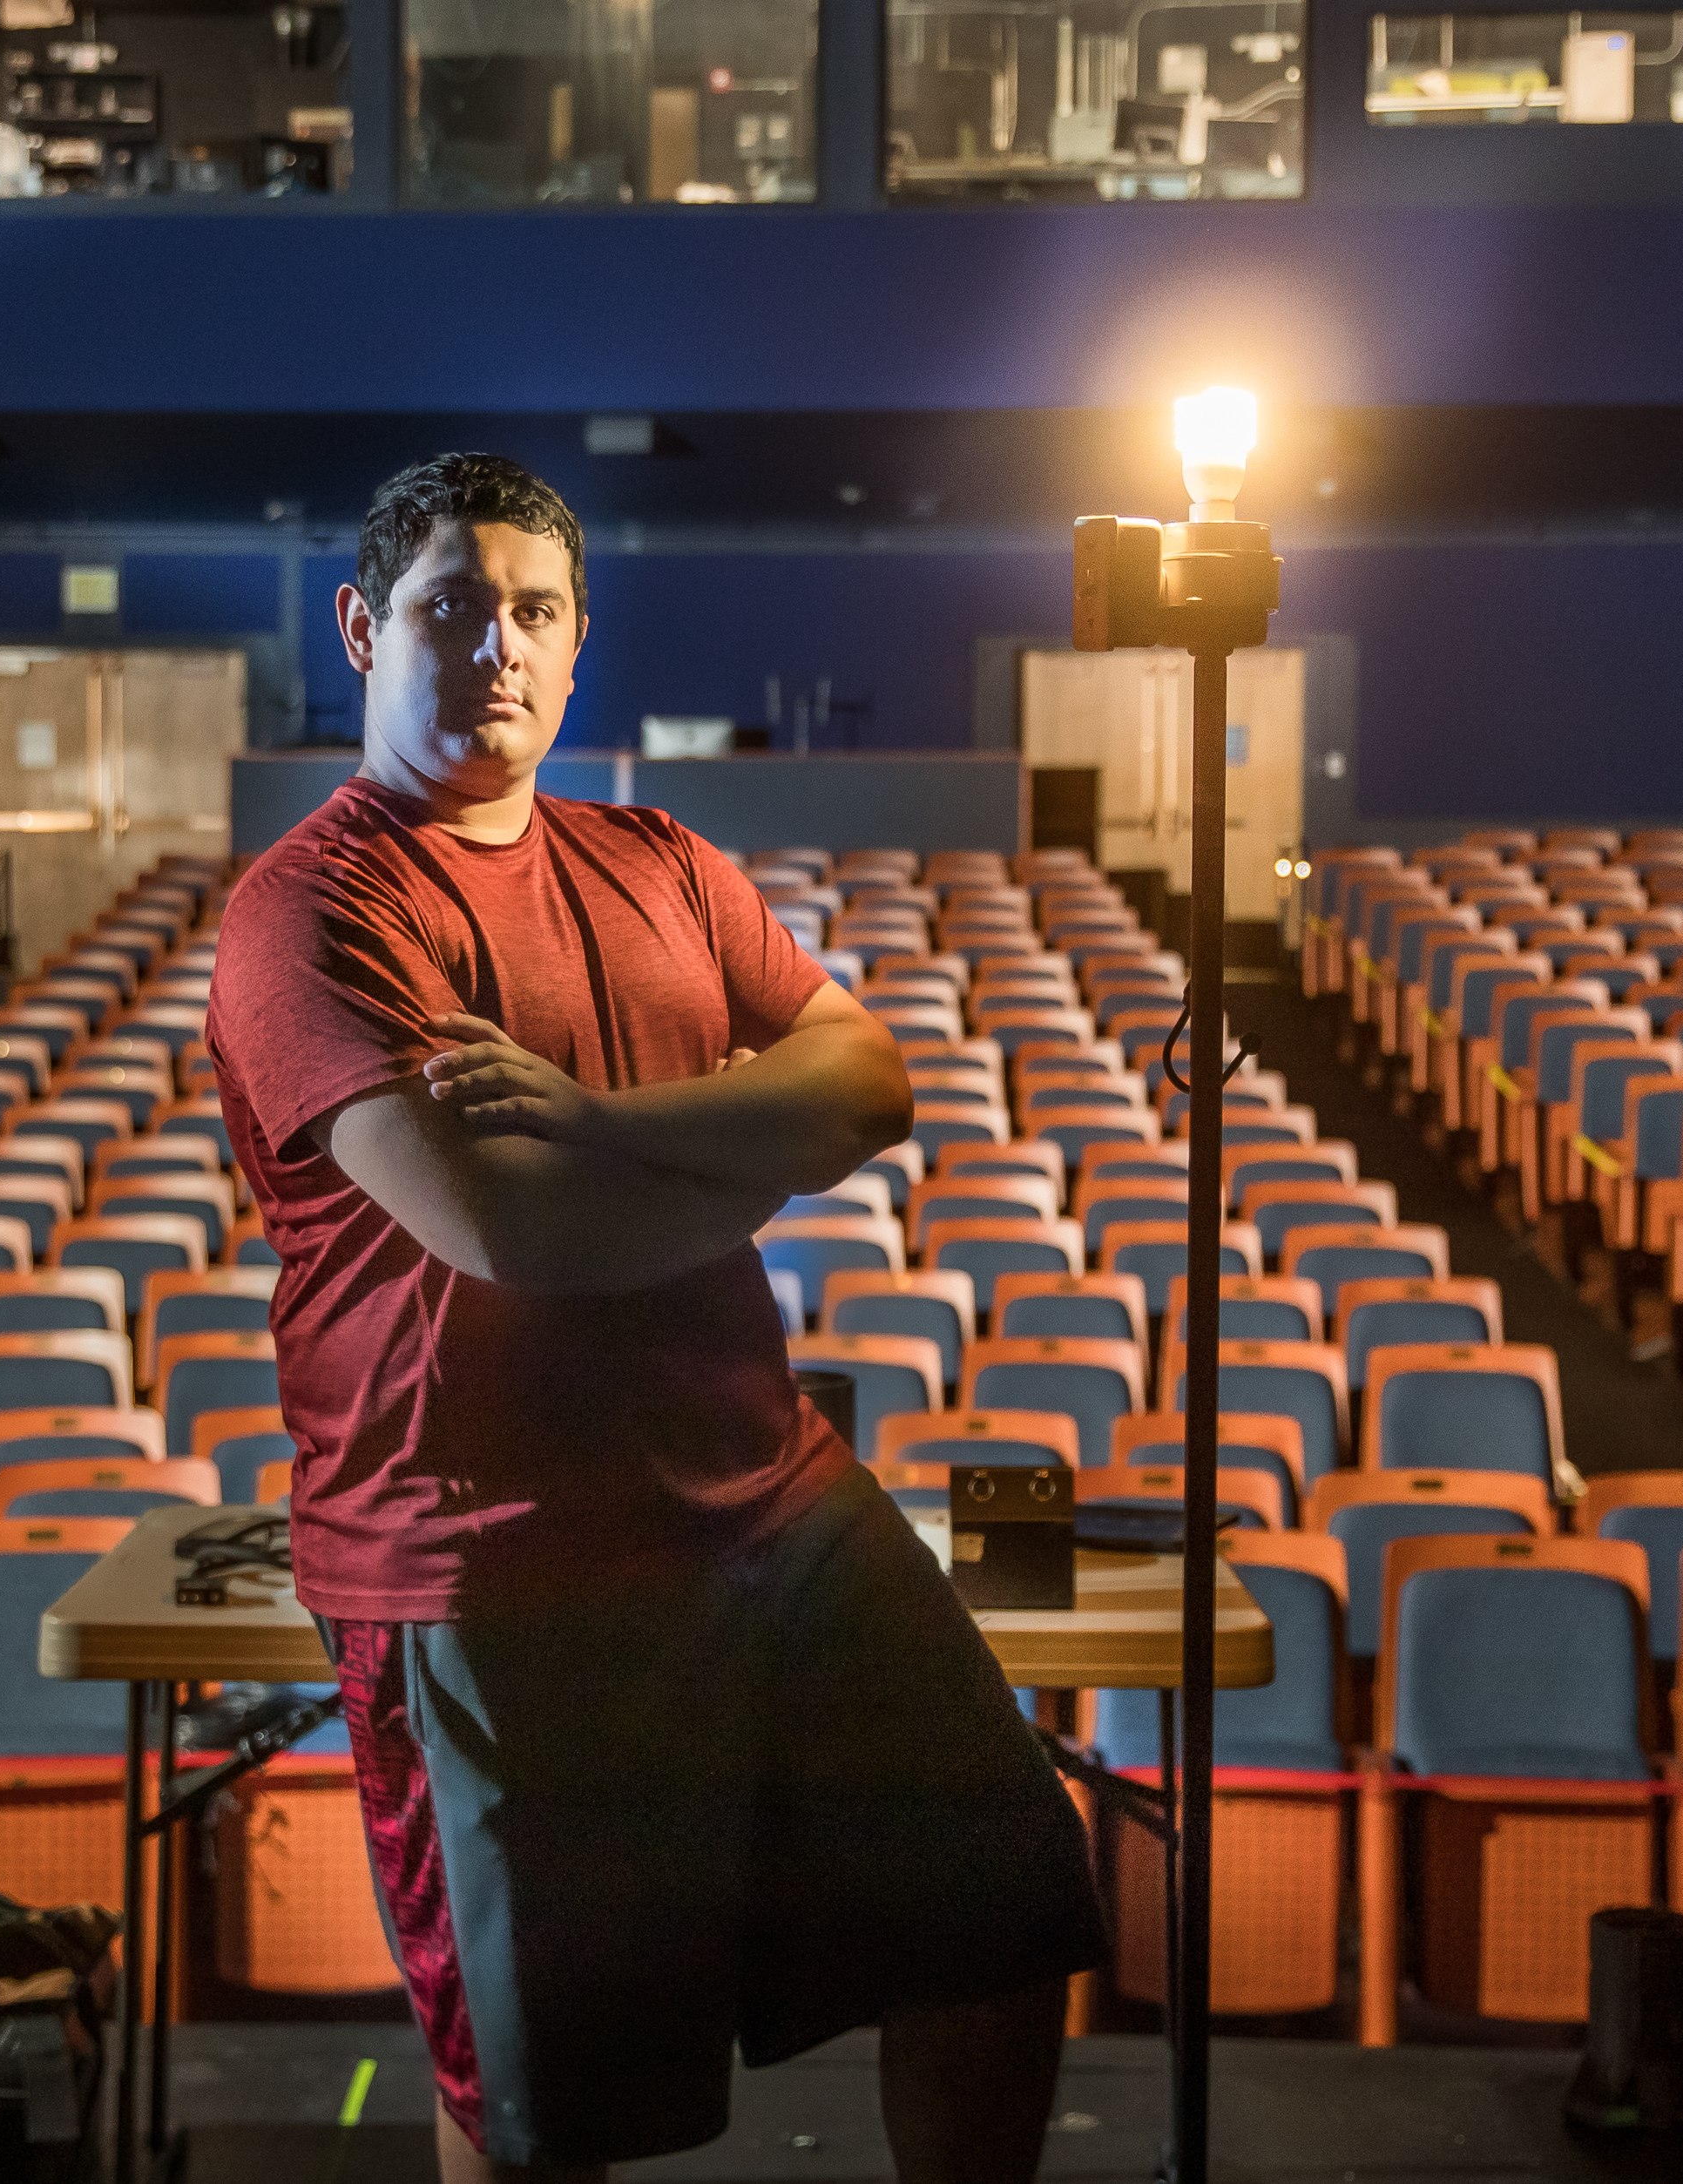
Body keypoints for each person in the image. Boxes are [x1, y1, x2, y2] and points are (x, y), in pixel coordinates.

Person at [206, 453, 1104, 2184]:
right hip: (486, 1554)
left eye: (532, 610)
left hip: (764, 1501)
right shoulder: (312, 908)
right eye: (447, 605)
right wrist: (746, 1142)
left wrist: (606, 1121)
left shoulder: (659, 859)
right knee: (547, 2106)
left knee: (998, 1905)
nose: (495, 646)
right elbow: (506, 1225)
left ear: (576, 637)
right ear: (358, 629)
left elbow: (869, 1078)